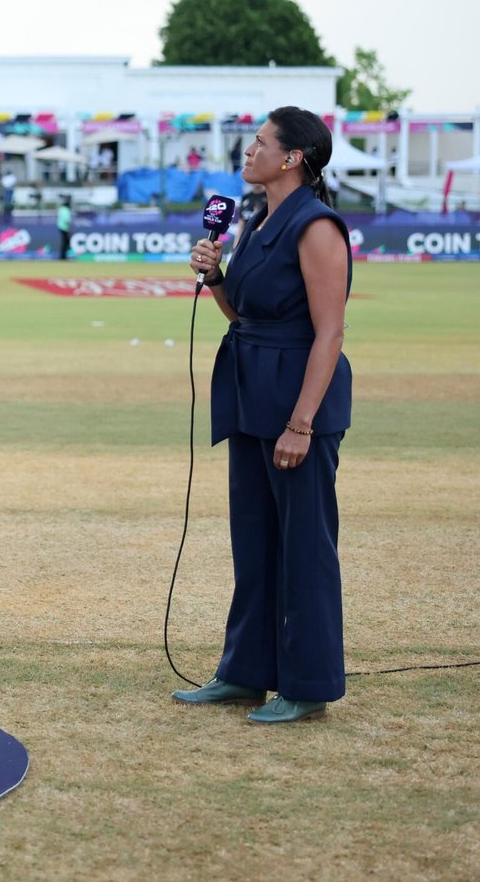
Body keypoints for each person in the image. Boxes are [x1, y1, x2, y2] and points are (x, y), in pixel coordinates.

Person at [179, 105, 351, 724]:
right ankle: (245, 672)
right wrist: (217, 274)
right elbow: (245, 315)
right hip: (250, 394)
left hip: (297, 404)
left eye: (259, 143)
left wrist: (302, 423)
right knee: (253, 543)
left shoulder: (317, 227)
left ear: (293, 158)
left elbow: (328, 333)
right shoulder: (255, 219)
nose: (249, 151)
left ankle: (307, 685)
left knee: (304, 547)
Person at [56, 195, 73, 260]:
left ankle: (63, 256)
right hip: (65, 228)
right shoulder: (66, 210)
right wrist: (69, 229)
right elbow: (67, 220)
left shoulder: (61, 209)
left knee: (64, 242)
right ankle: (63, 256)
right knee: (65, 242)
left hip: (60, 227)